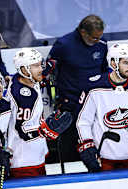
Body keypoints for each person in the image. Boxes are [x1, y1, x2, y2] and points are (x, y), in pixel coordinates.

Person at [76, 43, 128, 172]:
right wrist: (87, 144)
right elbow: (83, 121)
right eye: (125, 63)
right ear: (113, 64)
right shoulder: (94, 87)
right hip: (104, 158)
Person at [48, 15, 108, 162]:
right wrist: (55, 98)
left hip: (95, 102)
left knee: (95, 140)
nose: (97, 41)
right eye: (94, 38)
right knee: (70, 144)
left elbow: (105, 71)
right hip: (71, 103)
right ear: (83, 32)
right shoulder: (63, 45)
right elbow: (50, 73)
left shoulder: (102, 44)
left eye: (99, 37)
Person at [7, 48, 71, 178]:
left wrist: (50, 64)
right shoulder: (25, 97)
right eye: (36, 66)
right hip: (25, 161)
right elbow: (22, 132)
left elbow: (48, 67)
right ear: (24, 69)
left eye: (40, 64)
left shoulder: (25, 78)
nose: (41, 69)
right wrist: (44, 131)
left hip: (34, 154)